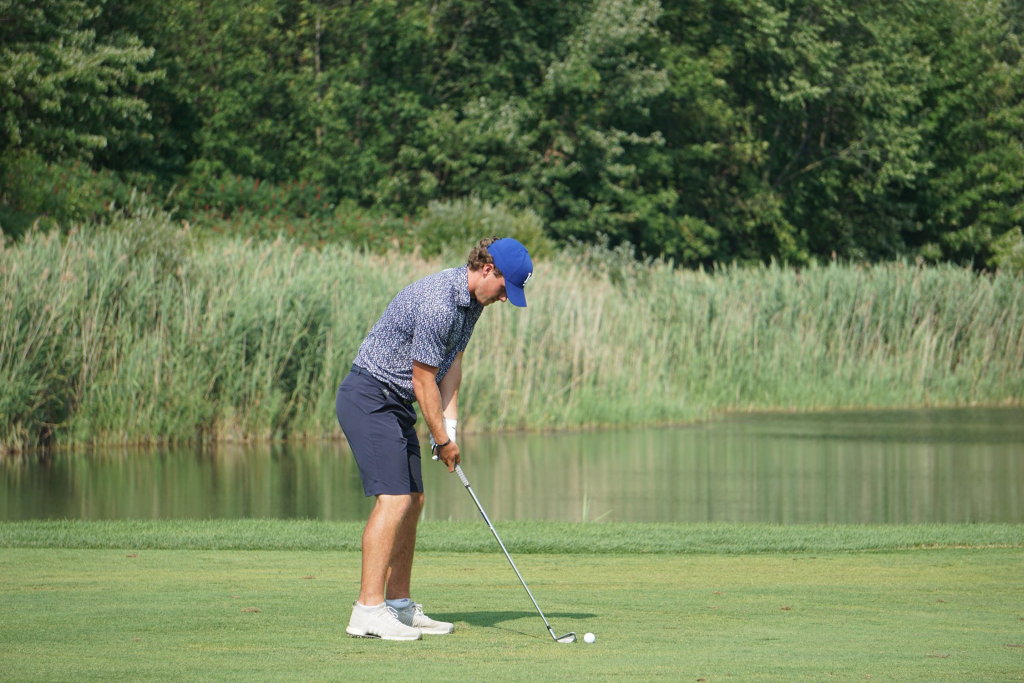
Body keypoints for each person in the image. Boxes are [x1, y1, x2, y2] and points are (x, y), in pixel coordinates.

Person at [336, 237, 533, 641]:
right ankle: (367, 611)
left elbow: (452, 365)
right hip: (370, 396)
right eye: (503, 289)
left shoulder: (471, 305)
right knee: (394, 499)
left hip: (395, 404)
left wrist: (451, 430)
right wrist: (441, 440)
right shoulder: (439, 302)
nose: (503, 300)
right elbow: (422, 378)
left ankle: (398, 605)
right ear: (486, 270)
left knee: (414, 499)